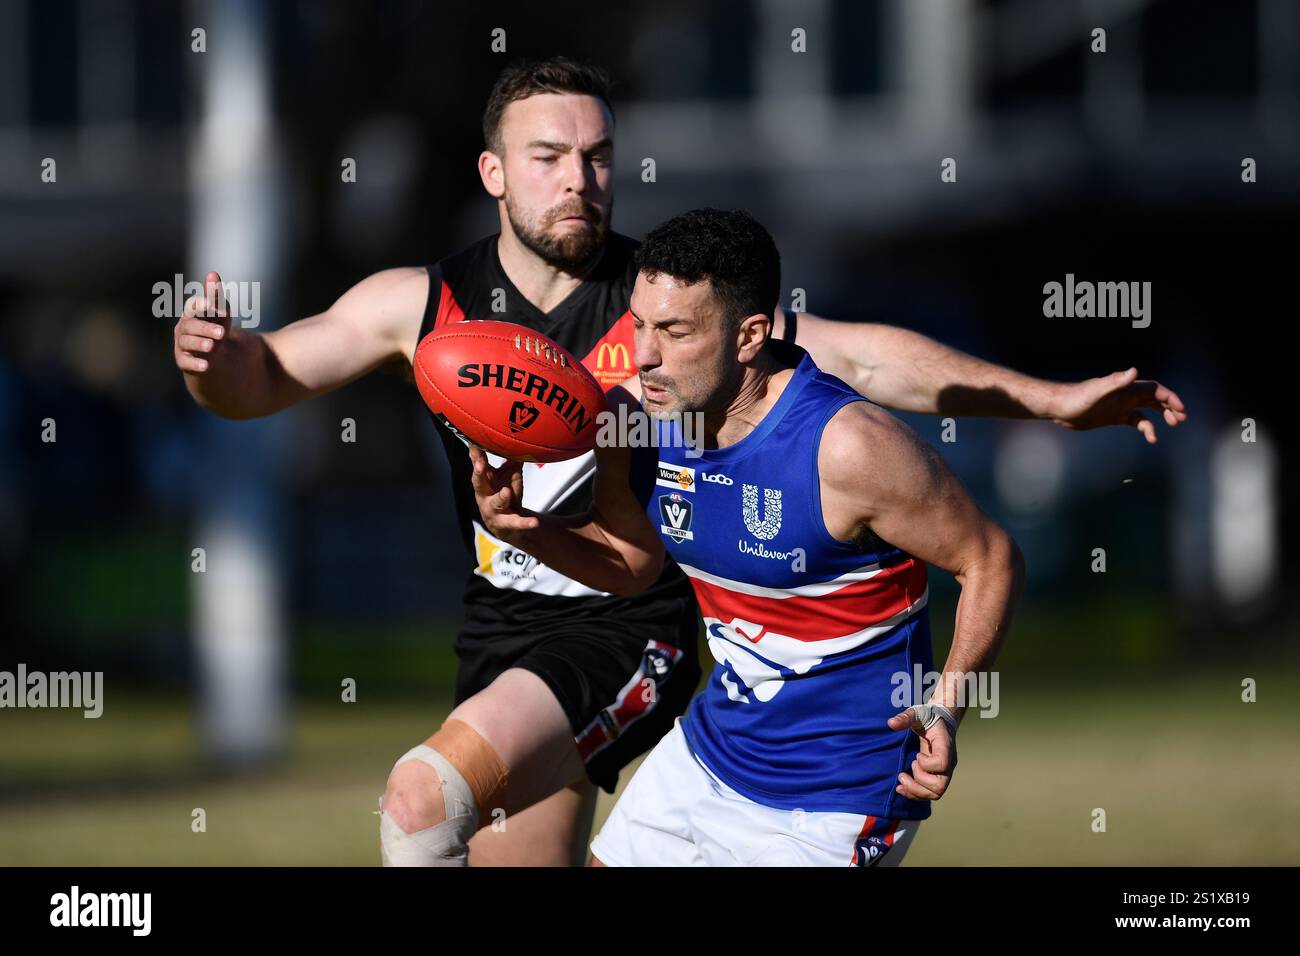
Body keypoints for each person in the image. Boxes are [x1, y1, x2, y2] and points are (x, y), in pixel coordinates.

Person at [173, 58, 1176, 867]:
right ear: (492, 174)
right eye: (549, 156)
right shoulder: (425, 305)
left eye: (599, 156)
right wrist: (214, 361)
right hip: (502, 628)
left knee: (416, 801)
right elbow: (262, 379)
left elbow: (863, 354)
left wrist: (1047, 396)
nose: (579, 179)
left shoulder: (663, 303)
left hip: (627, 623)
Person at [470, 208, 1025, 866]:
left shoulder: (847, 449)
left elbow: (990, 559)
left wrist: (948, 704)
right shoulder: (641, 420)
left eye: (674, 331)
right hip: (710, 754)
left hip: (836, 796)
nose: (644, 354)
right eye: (639, 324)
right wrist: (525, 530)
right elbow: (633, 565)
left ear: (749, 335)